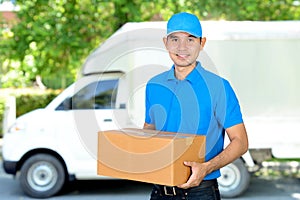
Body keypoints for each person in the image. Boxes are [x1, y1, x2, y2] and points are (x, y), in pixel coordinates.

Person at [143, 12, 248, 200]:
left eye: (190, 39)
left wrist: (207, 168)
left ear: (202, 43)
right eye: (175, 39)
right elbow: (149, 130)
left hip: (201, 192)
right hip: (159, 192)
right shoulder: (154, 86)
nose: (182, 47)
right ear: (165, 42)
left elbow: (240, 142)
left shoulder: (219, 87)